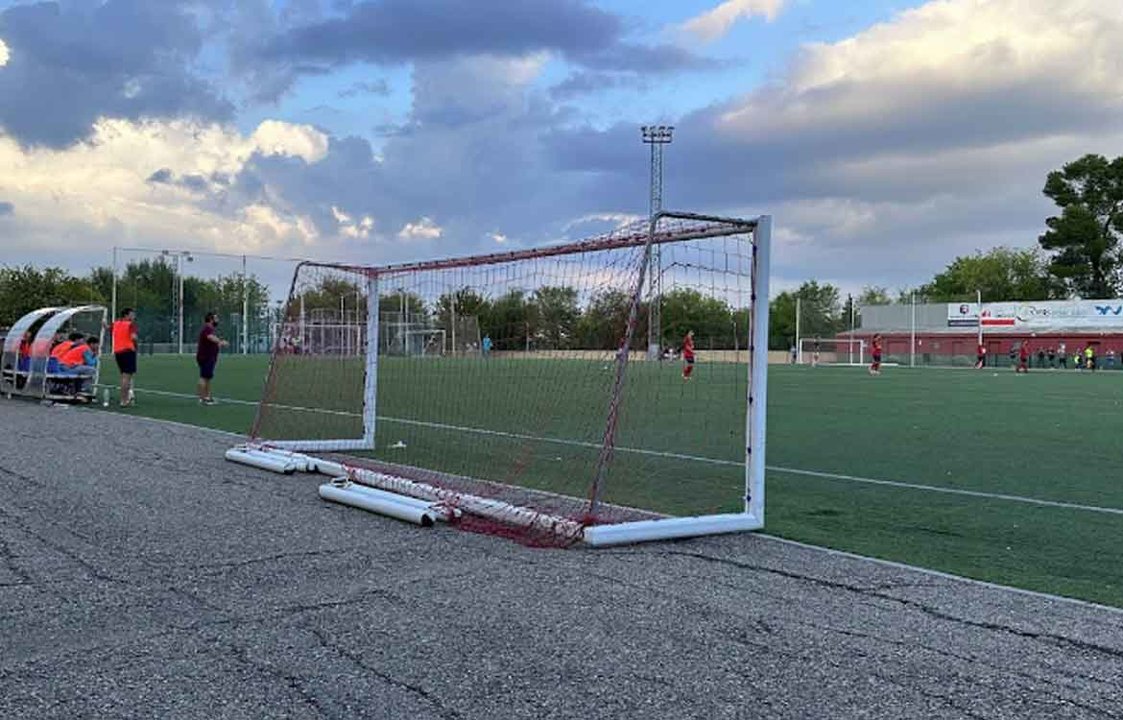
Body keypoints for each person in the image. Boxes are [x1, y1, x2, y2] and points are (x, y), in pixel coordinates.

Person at [196, 312, 228, 405]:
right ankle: (202, 399)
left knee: (208, 378)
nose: (217, 320)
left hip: (210, 357)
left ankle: (207, 397)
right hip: (206, 357)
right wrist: (221, 342)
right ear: (211, 319)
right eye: (216, 318)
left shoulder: (210, 329)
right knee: (204, 377)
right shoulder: (207, 328)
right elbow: (210, 337)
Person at [112, 308, 139, 407]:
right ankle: (124, 400)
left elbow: (108, 327)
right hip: (128, 351)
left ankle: (125, 397)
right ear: (126, 315)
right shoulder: (130, 325)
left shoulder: (116, 324)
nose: (133, 317)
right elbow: (133, 337)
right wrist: (135, 345)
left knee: (124, 376)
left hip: (118, 352)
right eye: (132, 314)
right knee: (127, 377)